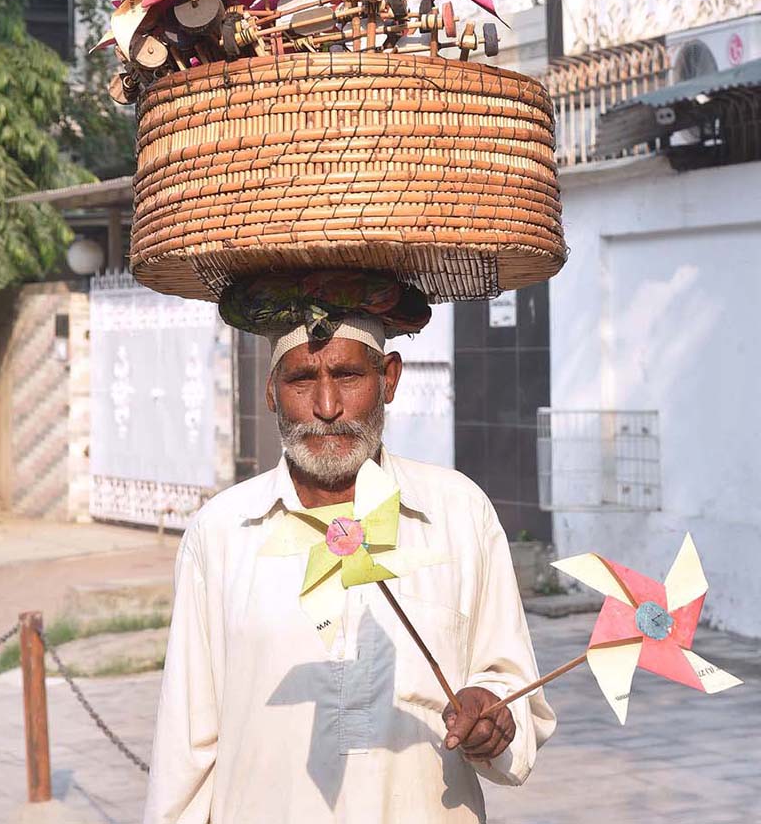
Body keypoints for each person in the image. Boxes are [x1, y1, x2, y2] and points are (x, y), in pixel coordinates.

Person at [143, 273, 555, 824]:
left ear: (388, 379)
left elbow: (515, 695)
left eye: (347, 375)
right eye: (301, 379)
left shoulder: (458, 513)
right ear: (270, 391)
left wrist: (494, 721)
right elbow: (185, 745)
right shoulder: (221, 532)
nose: (327, 405)